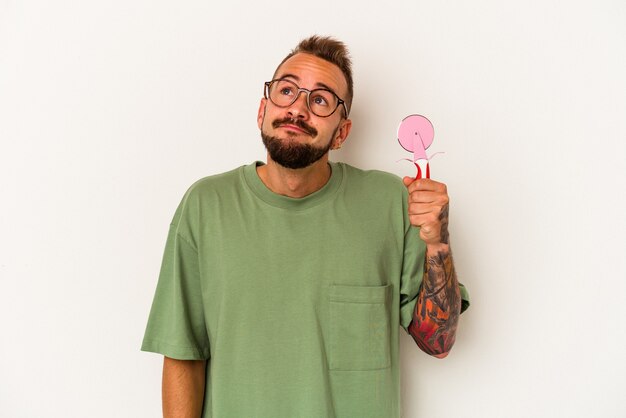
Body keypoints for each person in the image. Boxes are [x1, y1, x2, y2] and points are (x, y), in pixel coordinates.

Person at [141, 35, 470, 418]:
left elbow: (438, 342)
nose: (298, 108)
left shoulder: (391, 202)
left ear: (342, 132)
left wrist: (438, 245)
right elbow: (184, 354)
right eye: (286, 91)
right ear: (263, 110)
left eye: (320, 99)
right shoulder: (205, 205)